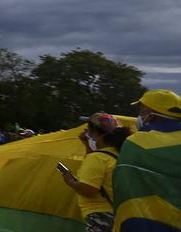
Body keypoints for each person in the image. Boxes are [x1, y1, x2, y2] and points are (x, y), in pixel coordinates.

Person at [112, 89, 181, 230]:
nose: (140, 115)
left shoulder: (135, 142)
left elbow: (122, 184)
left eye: (142, 110)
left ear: (151, 113)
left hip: (140, 222)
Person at [60, 113, 131, 232]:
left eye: (89, 131)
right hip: (116, 216)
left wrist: (70, 181)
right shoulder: (116, 156)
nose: (87, 134)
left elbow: (89, 189)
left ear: (96, 134)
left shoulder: (97, 158)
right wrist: (87, 145)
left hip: (100, 217)